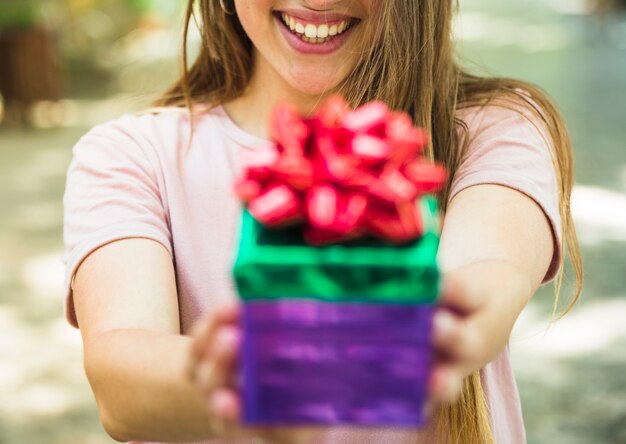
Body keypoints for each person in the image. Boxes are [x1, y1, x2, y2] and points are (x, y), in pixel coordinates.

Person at [62, 1, 584, 443]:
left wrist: (435, 329)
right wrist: (274, 376)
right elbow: (120, 377)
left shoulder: (496, 126)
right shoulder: (131, 156)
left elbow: (490, 268)